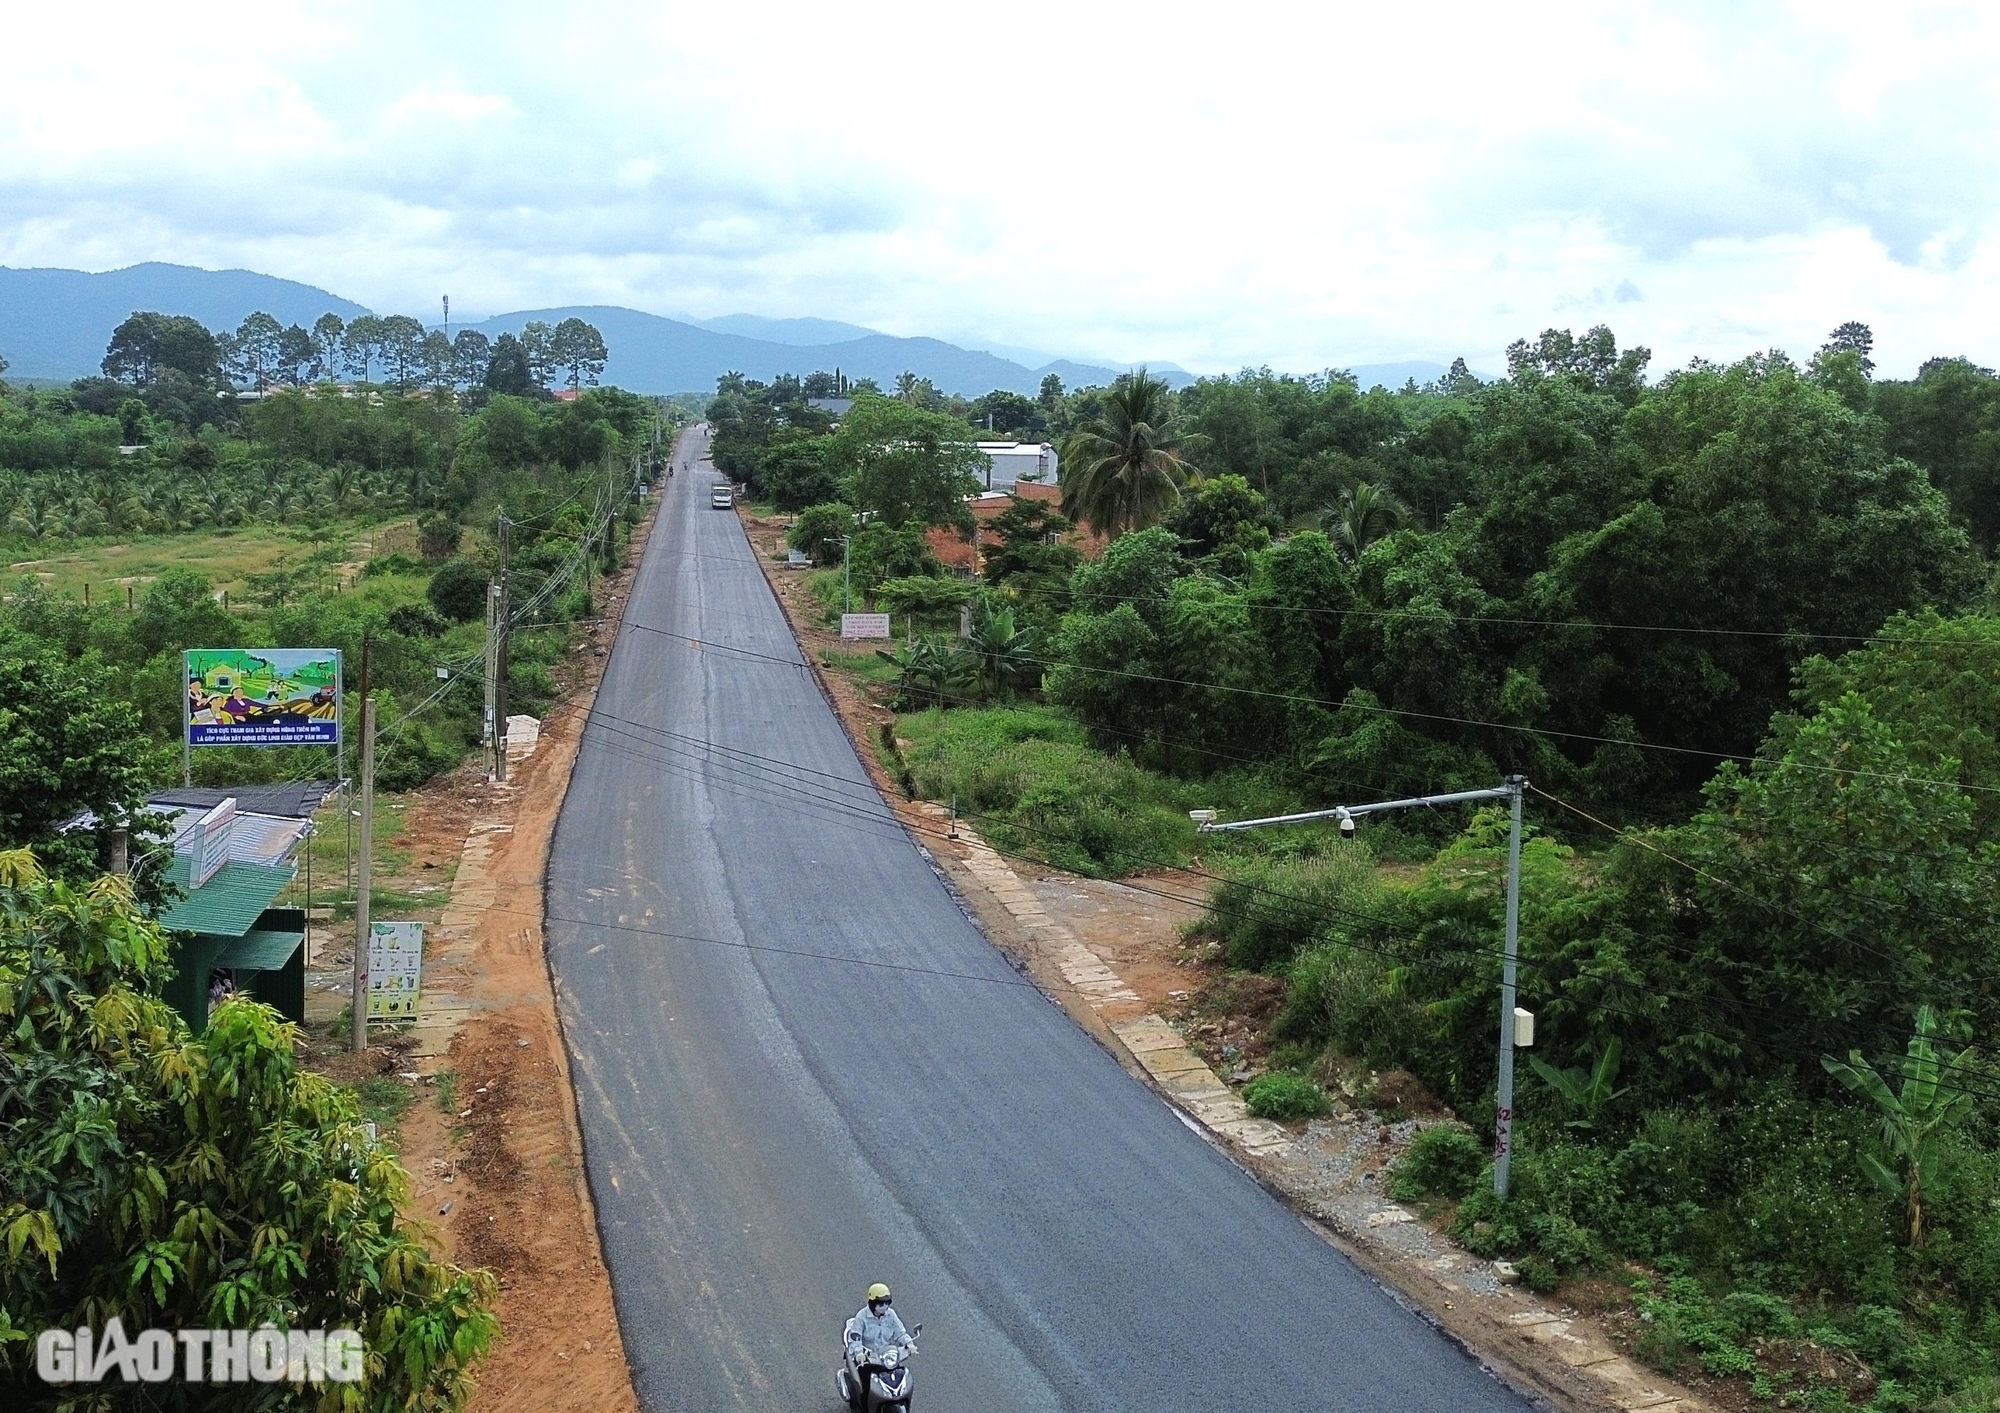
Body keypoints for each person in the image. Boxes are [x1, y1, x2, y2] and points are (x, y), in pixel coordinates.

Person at [843, 1283, 911, 1408]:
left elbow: (900, 1332)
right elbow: (855, 1339)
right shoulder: (861, 1317)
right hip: (868, 1358)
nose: (884, 1307)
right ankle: (864, 1408)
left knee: (899, 1378)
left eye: (887, 1303)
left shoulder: (891, 1314)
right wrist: (859, 1353)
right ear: (872, 1303)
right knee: (866, 1387)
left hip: (886, 1356)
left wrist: (909, 1344)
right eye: (881, 1304)